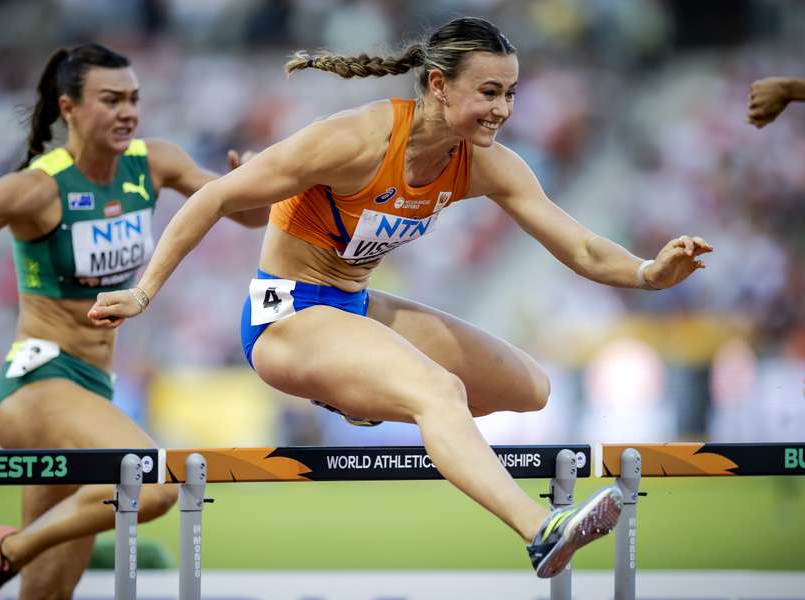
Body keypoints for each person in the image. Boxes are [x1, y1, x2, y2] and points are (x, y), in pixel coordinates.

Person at [89, 17, 713, 578]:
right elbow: (214, 196)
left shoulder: (482, 162)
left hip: (354, 307)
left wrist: (647, 273)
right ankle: (539, 530)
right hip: (286, 313)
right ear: (438, 86)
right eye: (489, 93)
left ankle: (358, 392)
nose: (503, 110)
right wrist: (143, 292)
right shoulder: (354, 141)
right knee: (439, 392)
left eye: (511, 94)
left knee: (531, 389)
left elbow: (579, 246)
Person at [0, 43, 267, 600]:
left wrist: (250, 186)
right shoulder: (38, 187)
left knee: (48, 596)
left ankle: (11, 559)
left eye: (134, 99)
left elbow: (242, 215)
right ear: (68, 108)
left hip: (92, 392)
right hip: (38, 385)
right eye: (111, 99)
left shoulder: (154, 163)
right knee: (151, 482)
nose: (128, 111)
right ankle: (7, 551)